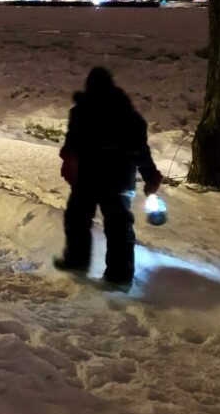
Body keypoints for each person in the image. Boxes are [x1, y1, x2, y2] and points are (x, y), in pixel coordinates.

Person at [54, 66, 162, 291]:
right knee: (119, 228)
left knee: (77, 219)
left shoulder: (82, 112)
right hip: (120, 181)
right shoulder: (131, 118)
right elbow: (141, 152)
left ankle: (77, 262)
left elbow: (72, 143)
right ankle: (120, 276)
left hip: (89, 177)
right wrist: (150, 176)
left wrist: (69, 159)